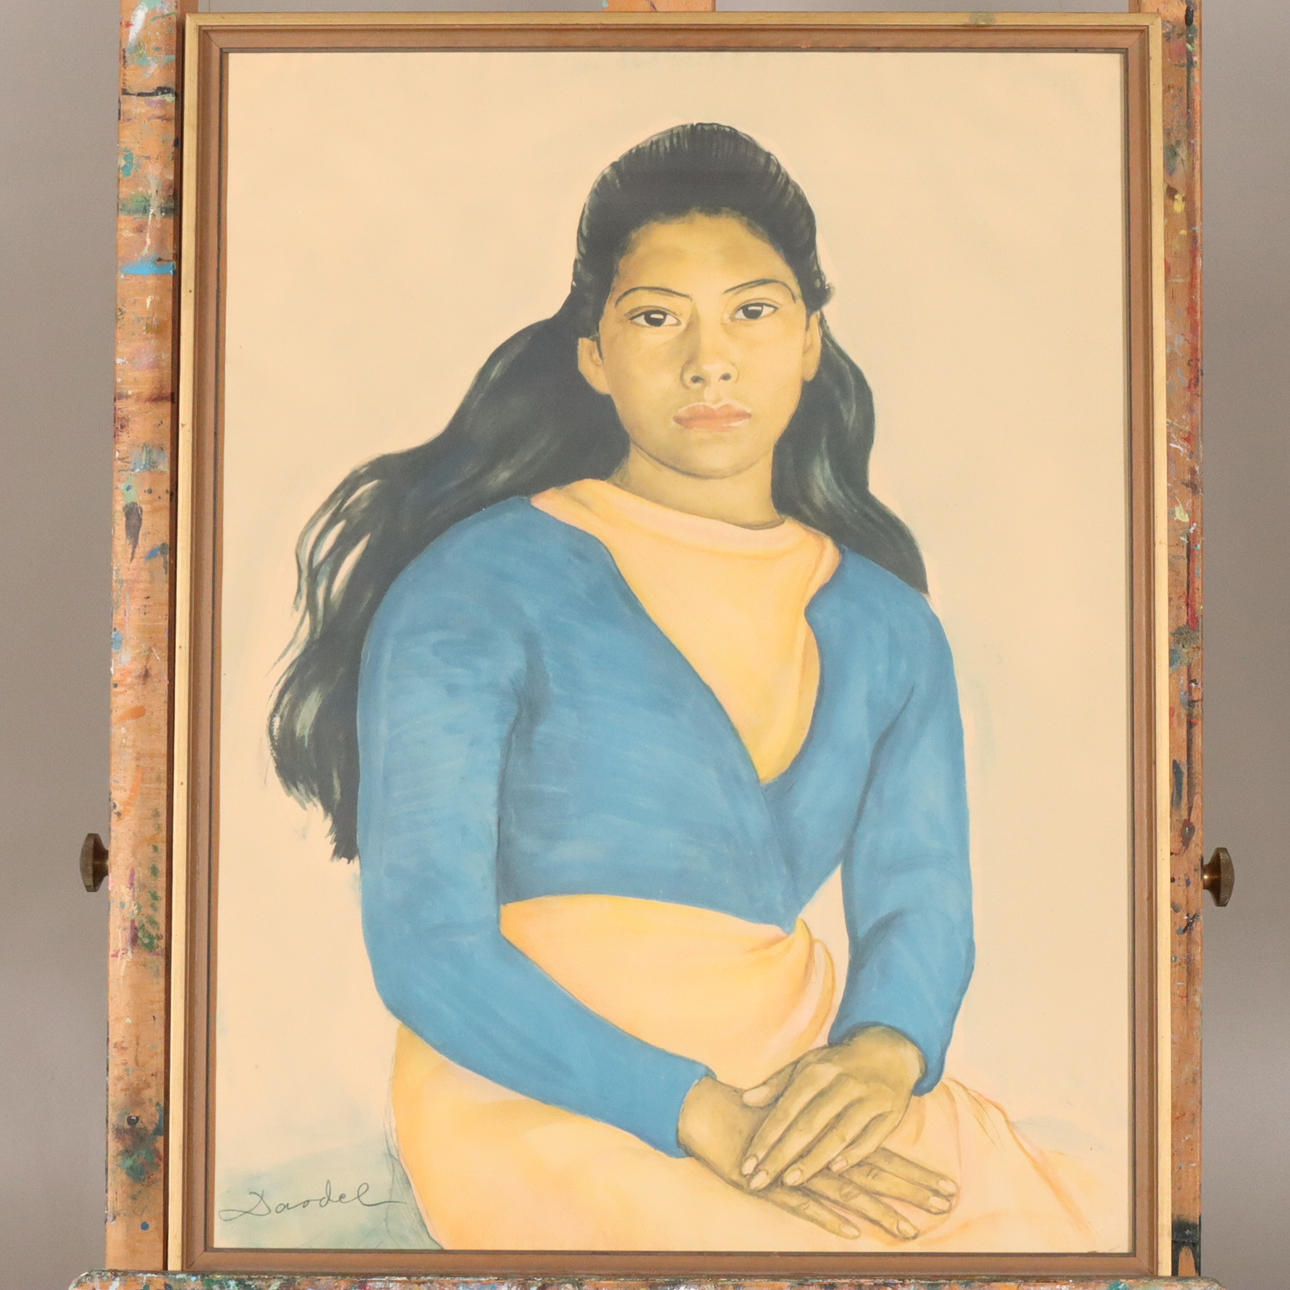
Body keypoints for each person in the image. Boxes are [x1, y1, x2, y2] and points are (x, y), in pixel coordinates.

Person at [269, 123, 1099, 1252]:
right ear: (593, 356)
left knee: (1054, 1230)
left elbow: (920, 906)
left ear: (810, 341)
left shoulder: (891, 626)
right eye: (658, 318)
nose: (710, 361)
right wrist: (696, 1112)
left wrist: (878, 1055)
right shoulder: (474, 583)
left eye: (752, 312)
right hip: (533, 1088)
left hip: (800, 1078)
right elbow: (428, 948)